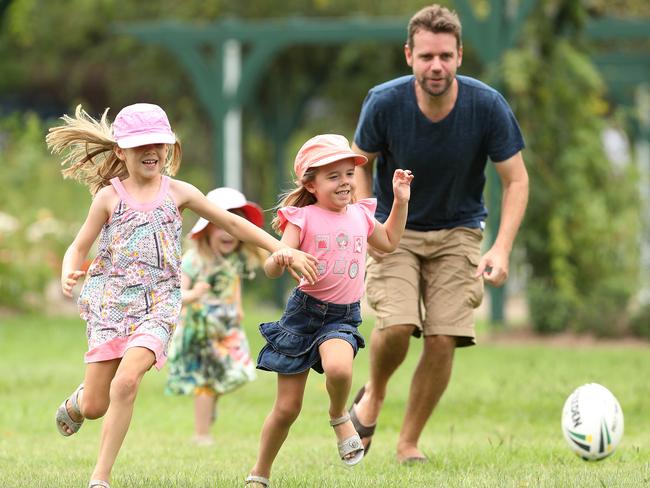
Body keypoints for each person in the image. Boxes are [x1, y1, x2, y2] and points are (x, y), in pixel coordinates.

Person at [48, 103, 318, 488]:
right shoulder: (109, 197)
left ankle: (100, 477)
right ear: (121, 151)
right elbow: (77, 247)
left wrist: (280, 248)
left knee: (127, 381)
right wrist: (68, 270)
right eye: (140, 145)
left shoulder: (179, 191)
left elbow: (231, 222)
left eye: (157, 142)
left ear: (169, 145)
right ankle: (79, 400)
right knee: (95, 405)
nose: (150, 151)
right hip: (111, 303)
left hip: (160, 302)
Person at [348, 4, 529, 463]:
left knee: (444, 336)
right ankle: (374, 395)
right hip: (396, 229)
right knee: (397, 324)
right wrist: (368, 223)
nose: (436, 66)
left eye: (446, 56)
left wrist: (502, 248)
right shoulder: (384, 102)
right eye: (427, 56)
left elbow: (516, 180)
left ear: (460, 56)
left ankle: (409, 441)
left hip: (459, 232)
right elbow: (356, 167)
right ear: (409, 55)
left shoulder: (486, 105)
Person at [244, 134, 413, 487]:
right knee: (287, 409)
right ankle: (259, 473)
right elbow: (273, 268)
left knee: (338, 368)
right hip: (303, 316)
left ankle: (339, 415)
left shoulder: (362, 215)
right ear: (311, 183)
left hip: (341, 317)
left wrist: (400, 201)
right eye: (333, 176)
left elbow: (390, 243)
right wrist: (281, 256)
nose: (345, 182)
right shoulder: (301, 218)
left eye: (348, 174)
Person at [165, 187, 267, 446]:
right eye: (220, 224)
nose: (227, 232)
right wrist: (195, 294)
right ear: (207, 228)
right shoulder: (194, 260)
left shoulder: (235, 259)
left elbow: (235, 285)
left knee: (236, 373)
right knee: (206, 382)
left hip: (227, 329)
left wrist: (239, 307)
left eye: (232, 224)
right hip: (200, 330)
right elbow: (177, 295)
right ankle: (202, 434)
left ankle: (209, 405)